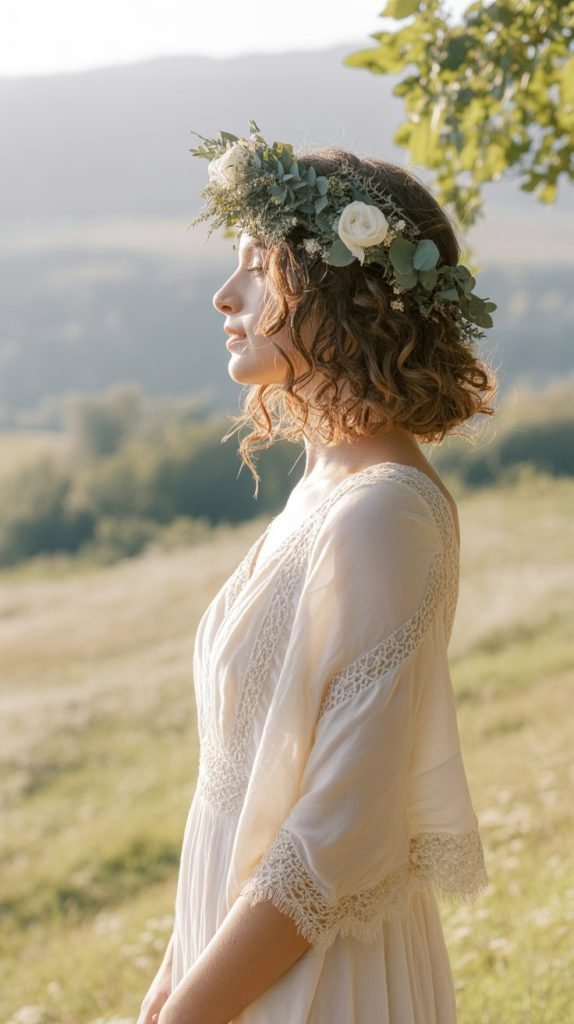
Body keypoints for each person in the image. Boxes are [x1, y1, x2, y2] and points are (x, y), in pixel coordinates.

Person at [137, 125, 496, 1024]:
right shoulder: (325, 480)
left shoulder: (386, 513)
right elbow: (249, 778)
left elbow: (334, 837)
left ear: (342, 291)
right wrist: (176, 968)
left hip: (318, 980)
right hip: (233, 947)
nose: (226, 294)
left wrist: (191, 1011)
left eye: (258, 266)